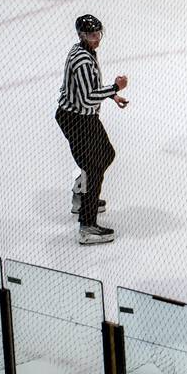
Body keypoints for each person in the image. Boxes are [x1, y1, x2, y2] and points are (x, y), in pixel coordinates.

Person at [58, 14, 127, 244]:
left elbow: (88, 89)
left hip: (83, 117)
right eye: (91, 35)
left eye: (98, 33)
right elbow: (88, 98)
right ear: (81, 36)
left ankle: (81, 196)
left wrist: (112, 95)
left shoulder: (84, 52)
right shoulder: (83, 61)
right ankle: (87, 226)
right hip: (76, 118)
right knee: (93, 168)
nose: (97, 38)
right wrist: (114, 87)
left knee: (106, 155)